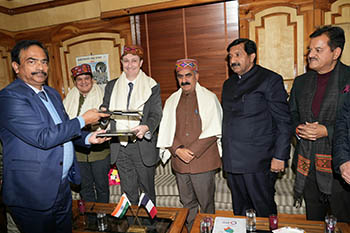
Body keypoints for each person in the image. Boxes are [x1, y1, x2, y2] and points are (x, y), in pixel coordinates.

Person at [0, 40, 110, 233]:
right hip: (32, 192)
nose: (40, 67)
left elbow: (63, 130)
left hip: (61, 186)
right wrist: (83, 120)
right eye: (32, 62)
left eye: (44, 62)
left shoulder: (51, 93)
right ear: (16, 66)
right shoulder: (10, 97)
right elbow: (43, 137)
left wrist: (87, 138)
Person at [222, 38, 291, 217]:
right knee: (239, 210)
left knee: (263, 210)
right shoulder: (228, 84)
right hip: (232, 160)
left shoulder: (269, 79)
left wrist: (280, 156)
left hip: (258, 161)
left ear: (252, 56)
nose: (232, 60)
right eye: (230, 56)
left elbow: (284, 121)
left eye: (238, 55)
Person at [290, 25, 350, 222]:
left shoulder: (348, 78)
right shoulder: (300, 82)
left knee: (343, 223)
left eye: (318, 50)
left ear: (336, 52)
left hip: (341, 170)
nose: (310, 55)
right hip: (307, 168)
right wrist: (298, 130)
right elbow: (291, 115)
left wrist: (327, 131)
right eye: (310, 49)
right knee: (313, 222)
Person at [157, 59, 222, 231]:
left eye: (188, 75)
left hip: (203, 162)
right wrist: (177, 150)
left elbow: (214, 129)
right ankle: (193, 229)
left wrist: (191, 151)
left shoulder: (209, 98)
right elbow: (166, 129)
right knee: (187, 204)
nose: (184, 80)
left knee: (206, 204)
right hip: (180, 162)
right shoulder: (171, 100)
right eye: (180, 76)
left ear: (196, 76)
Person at [100, 45, 162, 205]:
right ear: (121, 62)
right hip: (120, 146)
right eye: (126, 61)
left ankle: (151, 228)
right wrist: (102, 116)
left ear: (141, 63)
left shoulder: (152, 85)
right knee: (127, 192)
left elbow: (156, 113)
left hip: (142, 145)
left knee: (147, 191)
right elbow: (105, 112)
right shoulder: (111, 86)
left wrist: (146, 127)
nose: (130, 64)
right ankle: (132, 225)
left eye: (134, 61)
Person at [63, 64, 110, 205]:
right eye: (79, 79)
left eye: (86, 78)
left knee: (102, 187)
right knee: (85, 187)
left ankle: (103, 217)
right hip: (78, 152)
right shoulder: (68, 99)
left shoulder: (103, 96)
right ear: (75, 82)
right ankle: (91, 219)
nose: (83, 82)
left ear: (92, 79)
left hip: (99, 151)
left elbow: (107, 122)